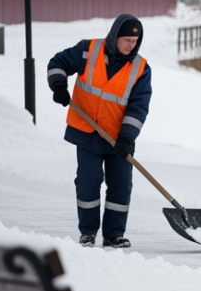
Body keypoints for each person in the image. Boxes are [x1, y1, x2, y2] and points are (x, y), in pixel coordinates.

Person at [46, 14, 151, 249]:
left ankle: (114, 234)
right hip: (87, 133)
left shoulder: (141, 69)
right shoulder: (88, 51)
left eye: (135, 41)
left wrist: (126, 137)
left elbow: (139, 106)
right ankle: (88, 233)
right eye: (126, 40)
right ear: (114, 37)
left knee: (121, 185)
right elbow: (57, 63)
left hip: (119, 139)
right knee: (88, 182)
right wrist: (59, 86)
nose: (131, 45)